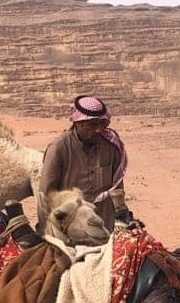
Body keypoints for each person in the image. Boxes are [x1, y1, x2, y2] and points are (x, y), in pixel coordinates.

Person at [38, 95, 130, 232]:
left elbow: (117, 188)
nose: (98, 129)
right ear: (78, 123)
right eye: (92, 125)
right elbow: (45, 195)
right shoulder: (59, 149)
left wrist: (121, 218)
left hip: (105, 226)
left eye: (101, 124)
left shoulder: (111, 148)